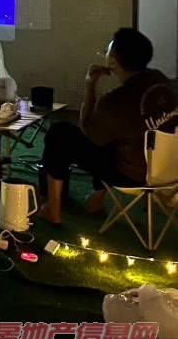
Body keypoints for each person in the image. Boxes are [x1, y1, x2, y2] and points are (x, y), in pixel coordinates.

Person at [38, 28, 169, 224]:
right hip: (169, 168)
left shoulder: (116, 101)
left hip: (135, 175)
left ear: (114, 60)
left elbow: (88, 131)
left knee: (60, 133)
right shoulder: (160, 80)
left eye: (108, 49)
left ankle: (52, 209)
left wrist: (90, 84)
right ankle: (96, 199)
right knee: (114, 137)